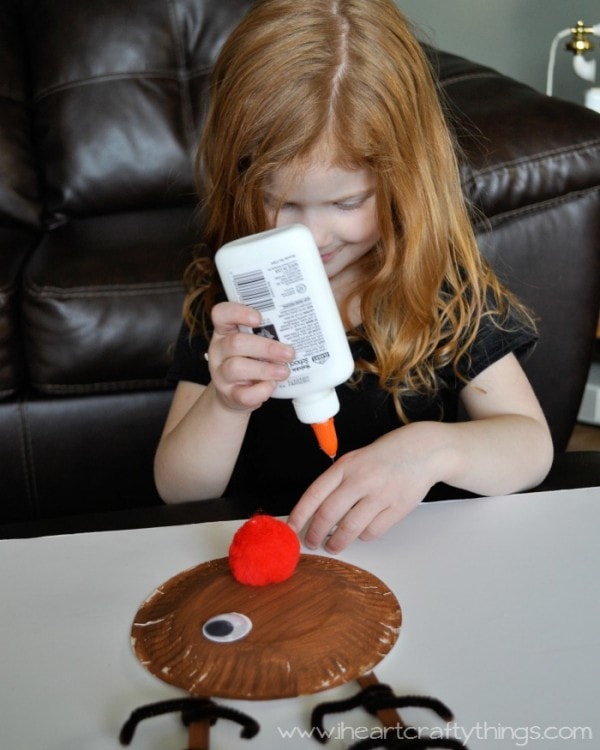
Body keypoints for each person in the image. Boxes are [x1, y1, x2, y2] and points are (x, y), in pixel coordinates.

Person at [154, 0, 554, 552]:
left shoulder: (439, 287)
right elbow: (179, 492)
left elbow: (531, 445)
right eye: (280, 202)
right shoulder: (235, 299)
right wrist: (224, 405)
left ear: (405, 180)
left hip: (415, 560)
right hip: (275, 570)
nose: (313, 237)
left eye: (346, 202)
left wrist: (431, 449)